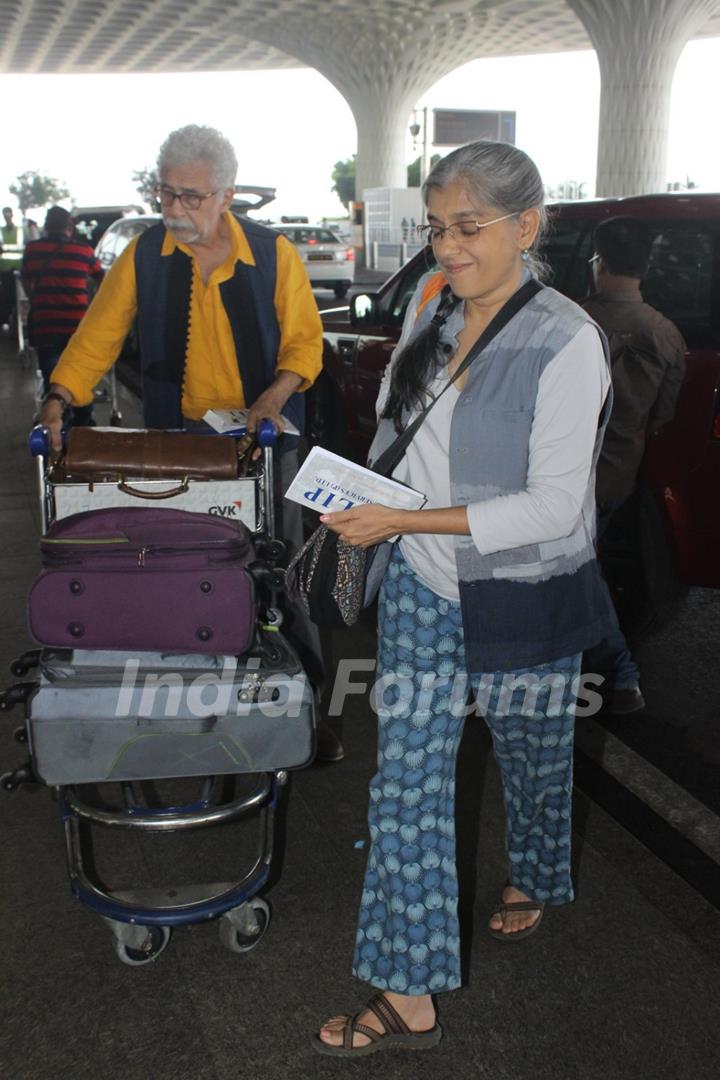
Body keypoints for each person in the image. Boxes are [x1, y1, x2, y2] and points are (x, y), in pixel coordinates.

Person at [312, 140, 614, 1056]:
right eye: (438, 227)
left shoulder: (569, 340)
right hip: (424, 590)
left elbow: (555, 505)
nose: (447, 247)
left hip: (526, 589)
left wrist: (405, 524)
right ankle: (407, 988)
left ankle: (537, 873)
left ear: (527, 226)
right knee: (404, 783)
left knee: (531, 751)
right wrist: (367, 500)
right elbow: (398, 425)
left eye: (469, 228)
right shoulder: (432, 304)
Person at [37, 124, 343, 762]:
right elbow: (97, 336)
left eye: (192, 197)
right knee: (182, 570)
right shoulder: (147, 255)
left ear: (227, 195)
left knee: (283, 573)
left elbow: (304, 343)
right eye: (166, 194)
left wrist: (272, 397)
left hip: (265, 439)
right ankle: (193, 711)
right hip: (180, 447)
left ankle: (309, 712)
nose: (176, 210)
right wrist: (59, 397)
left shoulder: (273, 254)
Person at [581, 216, 686, 714]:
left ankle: (619, 671)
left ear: (599, 263)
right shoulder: (665, 333)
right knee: (586, 565)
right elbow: (664, 414)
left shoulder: (570, 320)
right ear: (644, 267)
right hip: (618, 472)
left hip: (559, 471)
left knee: (581, 571)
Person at [21, 205, 104, 427]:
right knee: (80, 375)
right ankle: (84, 424)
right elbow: (102, 279)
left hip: (45, 325)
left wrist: (38, 299)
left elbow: (27, 281)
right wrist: (93, 304)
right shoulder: (84, 251)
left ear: (47, 226)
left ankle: (59, 426)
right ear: (69, 226)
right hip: (78, 326)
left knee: (53, 378)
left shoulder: (32, 250)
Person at [0, 206, 23, 326]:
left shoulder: (20, 230)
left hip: (18, 267)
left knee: (17, 295)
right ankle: (6, 319)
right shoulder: (1, 231)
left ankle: (15, 319)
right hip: (4, 267)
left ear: (12, 215)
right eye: (5, 215)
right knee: (6, 295)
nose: (7, 217)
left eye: (8, 214)